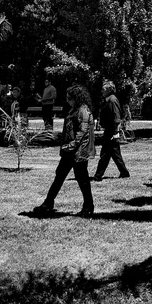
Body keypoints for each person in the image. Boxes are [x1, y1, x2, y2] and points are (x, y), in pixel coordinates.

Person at [32, 86, 96, 216]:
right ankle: (48, 203)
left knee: (82, 179)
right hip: (70, 151)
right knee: (60, 175)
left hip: (78, 152)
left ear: (76, 98)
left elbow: (82, 133)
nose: (67, 100)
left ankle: (88, 207)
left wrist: (70, 146)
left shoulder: (83, 111)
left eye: (69, 98)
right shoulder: (75, 109)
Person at [93, 83, 130, 180]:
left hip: (111, 130)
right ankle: (124, 172)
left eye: (104, 89)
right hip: (109, 130)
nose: (102, 91)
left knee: (105, 154)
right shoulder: (108, 100)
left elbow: (116, 117)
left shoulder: (112, 100)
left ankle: (98, 176)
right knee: (115, 153)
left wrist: (116, 132)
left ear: (110, 89)